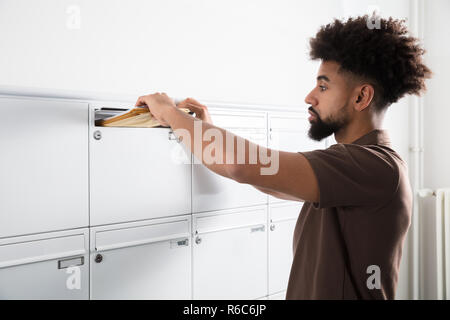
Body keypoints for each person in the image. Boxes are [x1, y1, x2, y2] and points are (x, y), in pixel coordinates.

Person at [135, 14, 431, 299]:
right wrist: (204, 129)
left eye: (323, 86)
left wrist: (171, 114)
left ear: (360, 97)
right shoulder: (357, 163)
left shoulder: (374, 166)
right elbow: (268, 180)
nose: (310, 96)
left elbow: (243, 165)